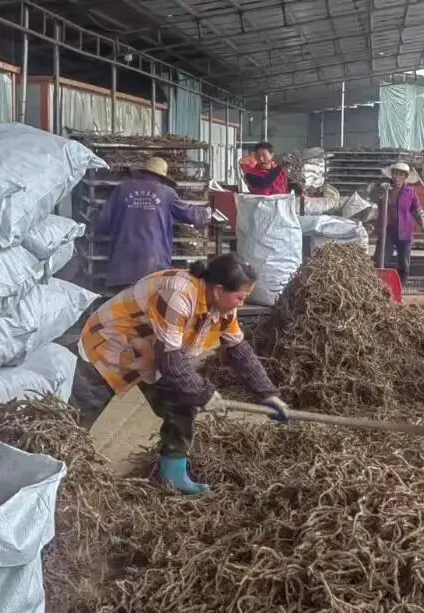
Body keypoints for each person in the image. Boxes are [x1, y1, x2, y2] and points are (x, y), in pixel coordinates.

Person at [74, 253, 289, 495]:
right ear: (218, 290)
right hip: (111, 343)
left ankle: (174, 477)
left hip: (150, 352)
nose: (241, 303)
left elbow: (240, 351)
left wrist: (267, 394)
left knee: (182, 405)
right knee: (83, 409)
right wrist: (204, 393)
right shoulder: (179, 294)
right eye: (240, 297)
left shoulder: (224, 309)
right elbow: (172, 363)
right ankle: (60, 464)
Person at [94, 155, 211, 292]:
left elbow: (102, 222)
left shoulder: (122, 189)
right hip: (153, 265)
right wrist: (207, 213)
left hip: (122, 265)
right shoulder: (167, 193)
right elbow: (191, 215)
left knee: (124, 303)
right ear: (161, 177)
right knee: (149, 302)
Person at [375, 162, 424, 282]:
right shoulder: (384, 189)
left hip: (404, 232)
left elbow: (416, 208)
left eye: (400, 175)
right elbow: (374, 200)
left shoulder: (410, 192)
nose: (397, 177)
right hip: (387, 231)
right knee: (380, 261)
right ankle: (378, 285)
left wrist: (423, 220)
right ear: (392, 175)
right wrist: (381, 191)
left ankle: (400, 286)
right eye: (395, 174)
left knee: (404, 264)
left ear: (405, 177)